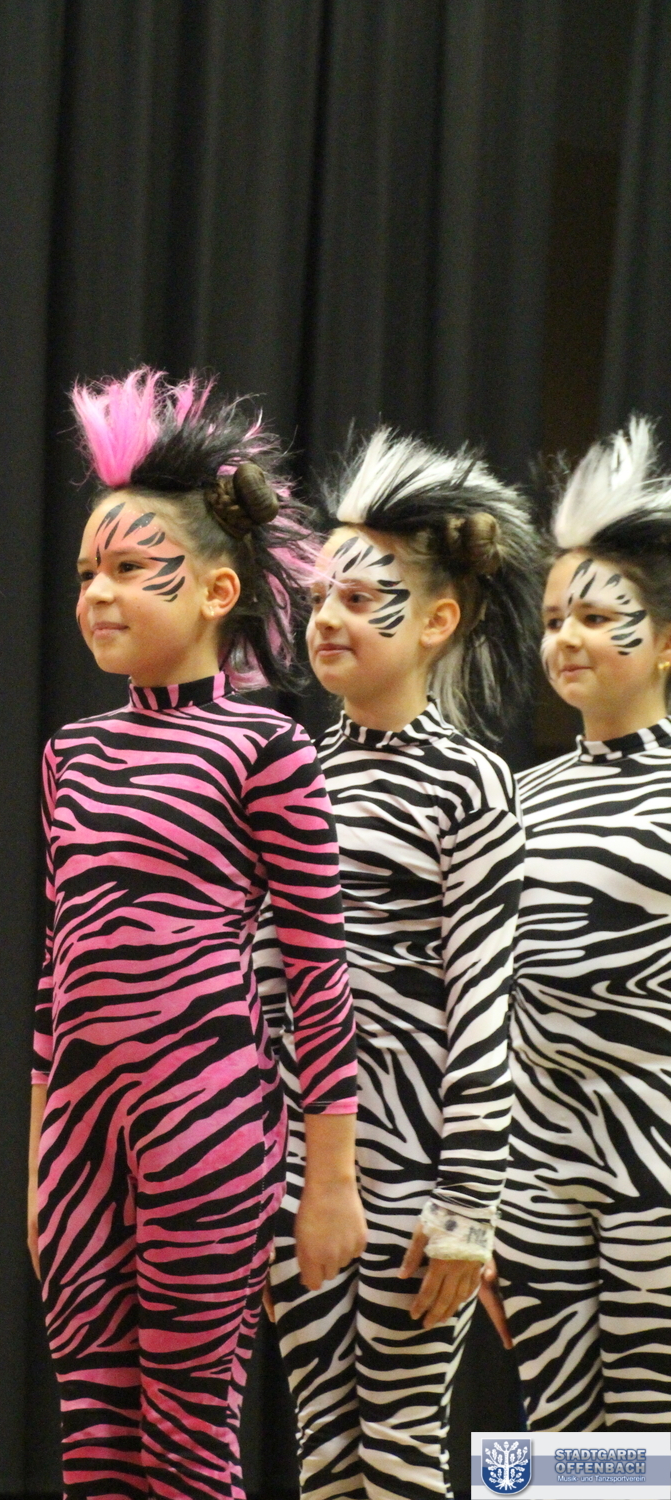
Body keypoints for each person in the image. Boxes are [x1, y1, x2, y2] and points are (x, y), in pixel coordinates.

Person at [27, 368, 367, 1500]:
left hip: (210, 1115)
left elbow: (316, 968)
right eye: (88, 573)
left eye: (131, 569)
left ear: (219, 589)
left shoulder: (265, 749)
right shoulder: (70, 754)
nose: (98, 594)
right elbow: (56, 970)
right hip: (80, 1130)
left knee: (186, 1435)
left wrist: (330, 1177)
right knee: (92, 1433)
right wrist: (40, 1155)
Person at [256, 429, 541, 1499]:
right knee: (324, 1448)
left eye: (360, 598)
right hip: (296, 1167)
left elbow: (485, 1004)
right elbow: (264, 988)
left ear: (436, 622)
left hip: (419, 1171)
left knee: (400, 1446)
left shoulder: (470, 785)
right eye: (318, 597)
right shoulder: (289, 773)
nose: (326, 618)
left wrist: (468, 1205)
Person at [496, 417, 671, 1430]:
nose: (565, 639)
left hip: (657, 1160)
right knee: (555, 1430)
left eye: (598, 618)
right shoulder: (518, 798)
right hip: (534, 1169)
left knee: (652, 1436)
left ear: (665, 642)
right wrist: (477, 1201)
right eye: (555, 618)